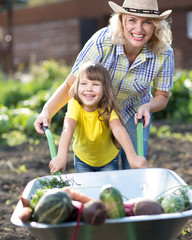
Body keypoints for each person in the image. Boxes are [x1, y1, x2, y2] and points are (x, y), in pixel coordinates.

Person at [34, 0, 174, 169]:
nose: (139, 29)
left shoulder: (164, 53)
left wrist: (147, 107)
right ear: (121, 20)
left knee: (135, 166)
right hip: (100, 111)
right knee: (103, 165)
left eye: (147, 22)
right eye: (132, 20)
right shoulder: (102, 42)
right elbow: (71, 84)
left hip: (134, 110)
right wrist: (46, 112)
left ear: (156, 27)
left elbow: (162, 96)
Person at [49, 61, 148, 173]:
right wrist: (61, 156)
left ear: (104, 88)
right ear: (77, 85)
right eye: (83, 83)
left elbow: (118, 129)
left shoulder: (106, 106)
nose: (89, 89)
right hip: (83, 159)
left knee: (108, 189)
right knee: (87, 189)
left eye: (95, 84)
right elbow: (68, 128)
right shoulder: (75, 104)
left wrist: (132, 157)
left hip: (108, 160)